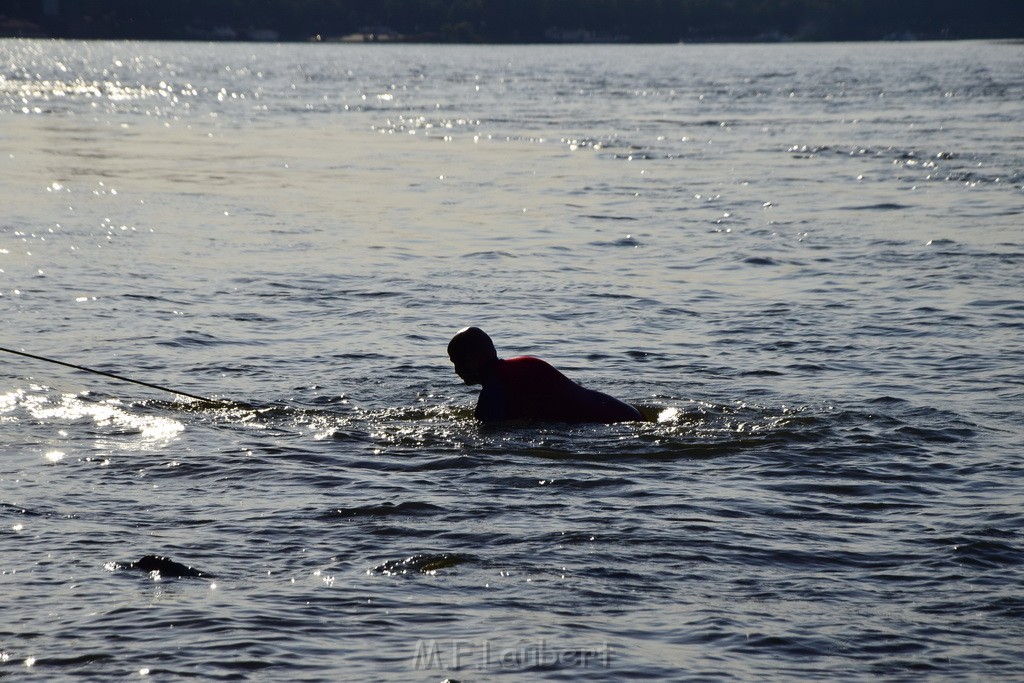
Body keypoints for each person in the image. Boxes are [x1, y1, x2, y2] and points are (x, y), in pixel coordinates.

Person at [447, 327, 643, 423]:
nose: (456, 371)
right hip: (626, 412)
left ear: (473, 359)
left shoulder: (495, 387)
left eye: (458, 362)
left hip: (608, 423)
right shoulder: (524, 363)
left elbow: (488, 429)